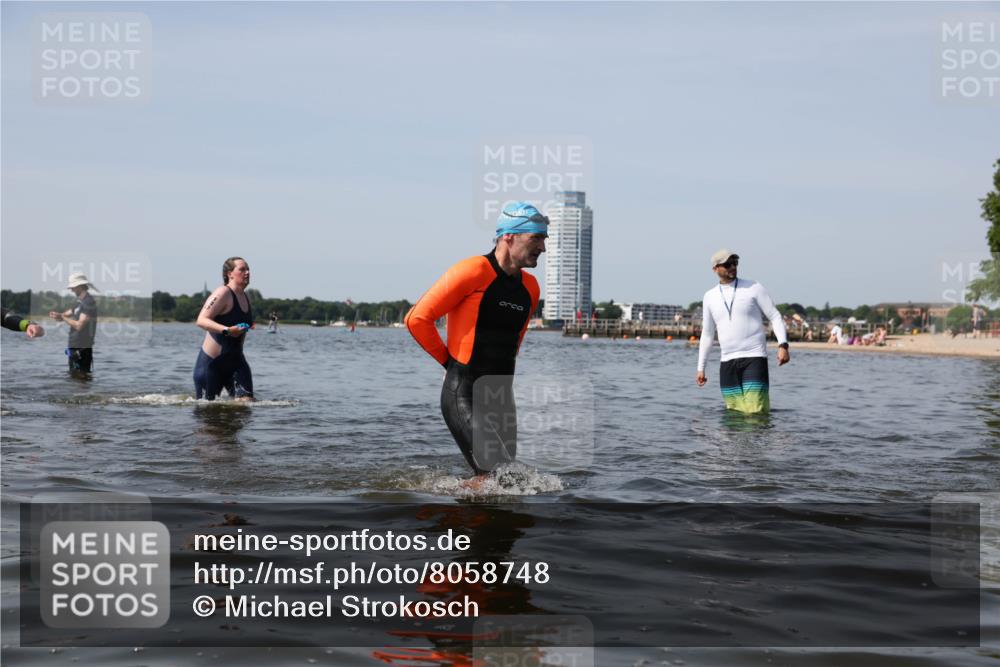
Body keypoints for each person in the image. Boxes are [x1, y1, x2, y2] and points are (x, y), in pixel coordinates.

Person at [406, 201, 545, 474]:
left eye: (543, 239)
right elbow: (416, 319)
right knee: (500, 474)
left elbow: (516, 341)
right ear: (509, 236)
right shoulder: (472, 271)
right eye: (536, 238)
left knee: (501, 481)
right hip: (464, 392)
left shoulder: (531, 287)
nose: (542, 247)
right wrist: (450, 364)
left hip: (502, 399)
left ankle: (459, 506)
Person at [696, 249, 790, 414]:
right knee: (733, 415)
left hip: (753, 358)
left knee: (756, 412)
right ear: (715, 269)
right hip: (727, 362)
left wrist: (783, 345)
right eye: (727, 264)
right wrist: (701, 367)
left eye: (735, 263)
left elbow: (775, 316)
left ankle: (760, 440)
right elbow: (708, 334)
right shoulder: (709, 296)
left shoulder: (753, 287)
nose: (732, 267)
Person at [194, 257, 255, 401]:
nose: (247, 272)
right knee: (210, 415)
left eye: (248, 269)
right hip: (212, 365)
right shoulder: (222, 293)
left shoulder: (246, 297)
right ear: (230, 274)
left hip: (236, 363)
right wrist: (227, 330)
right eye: (242, 269)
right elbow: (201, 320)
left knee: (247, 406)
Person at [49, 273, 98, 374]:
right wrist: (58, 315)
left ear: (79, 286)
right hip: (74, 347)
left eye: (73, 287)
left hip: (82, 348)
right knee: (74, 379)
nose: (71, 290)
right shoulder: (79, 302)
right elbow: (65, 315)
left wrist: (62, 317)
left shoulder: (89, 302)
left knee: (81, 380)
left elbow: (79, 325)